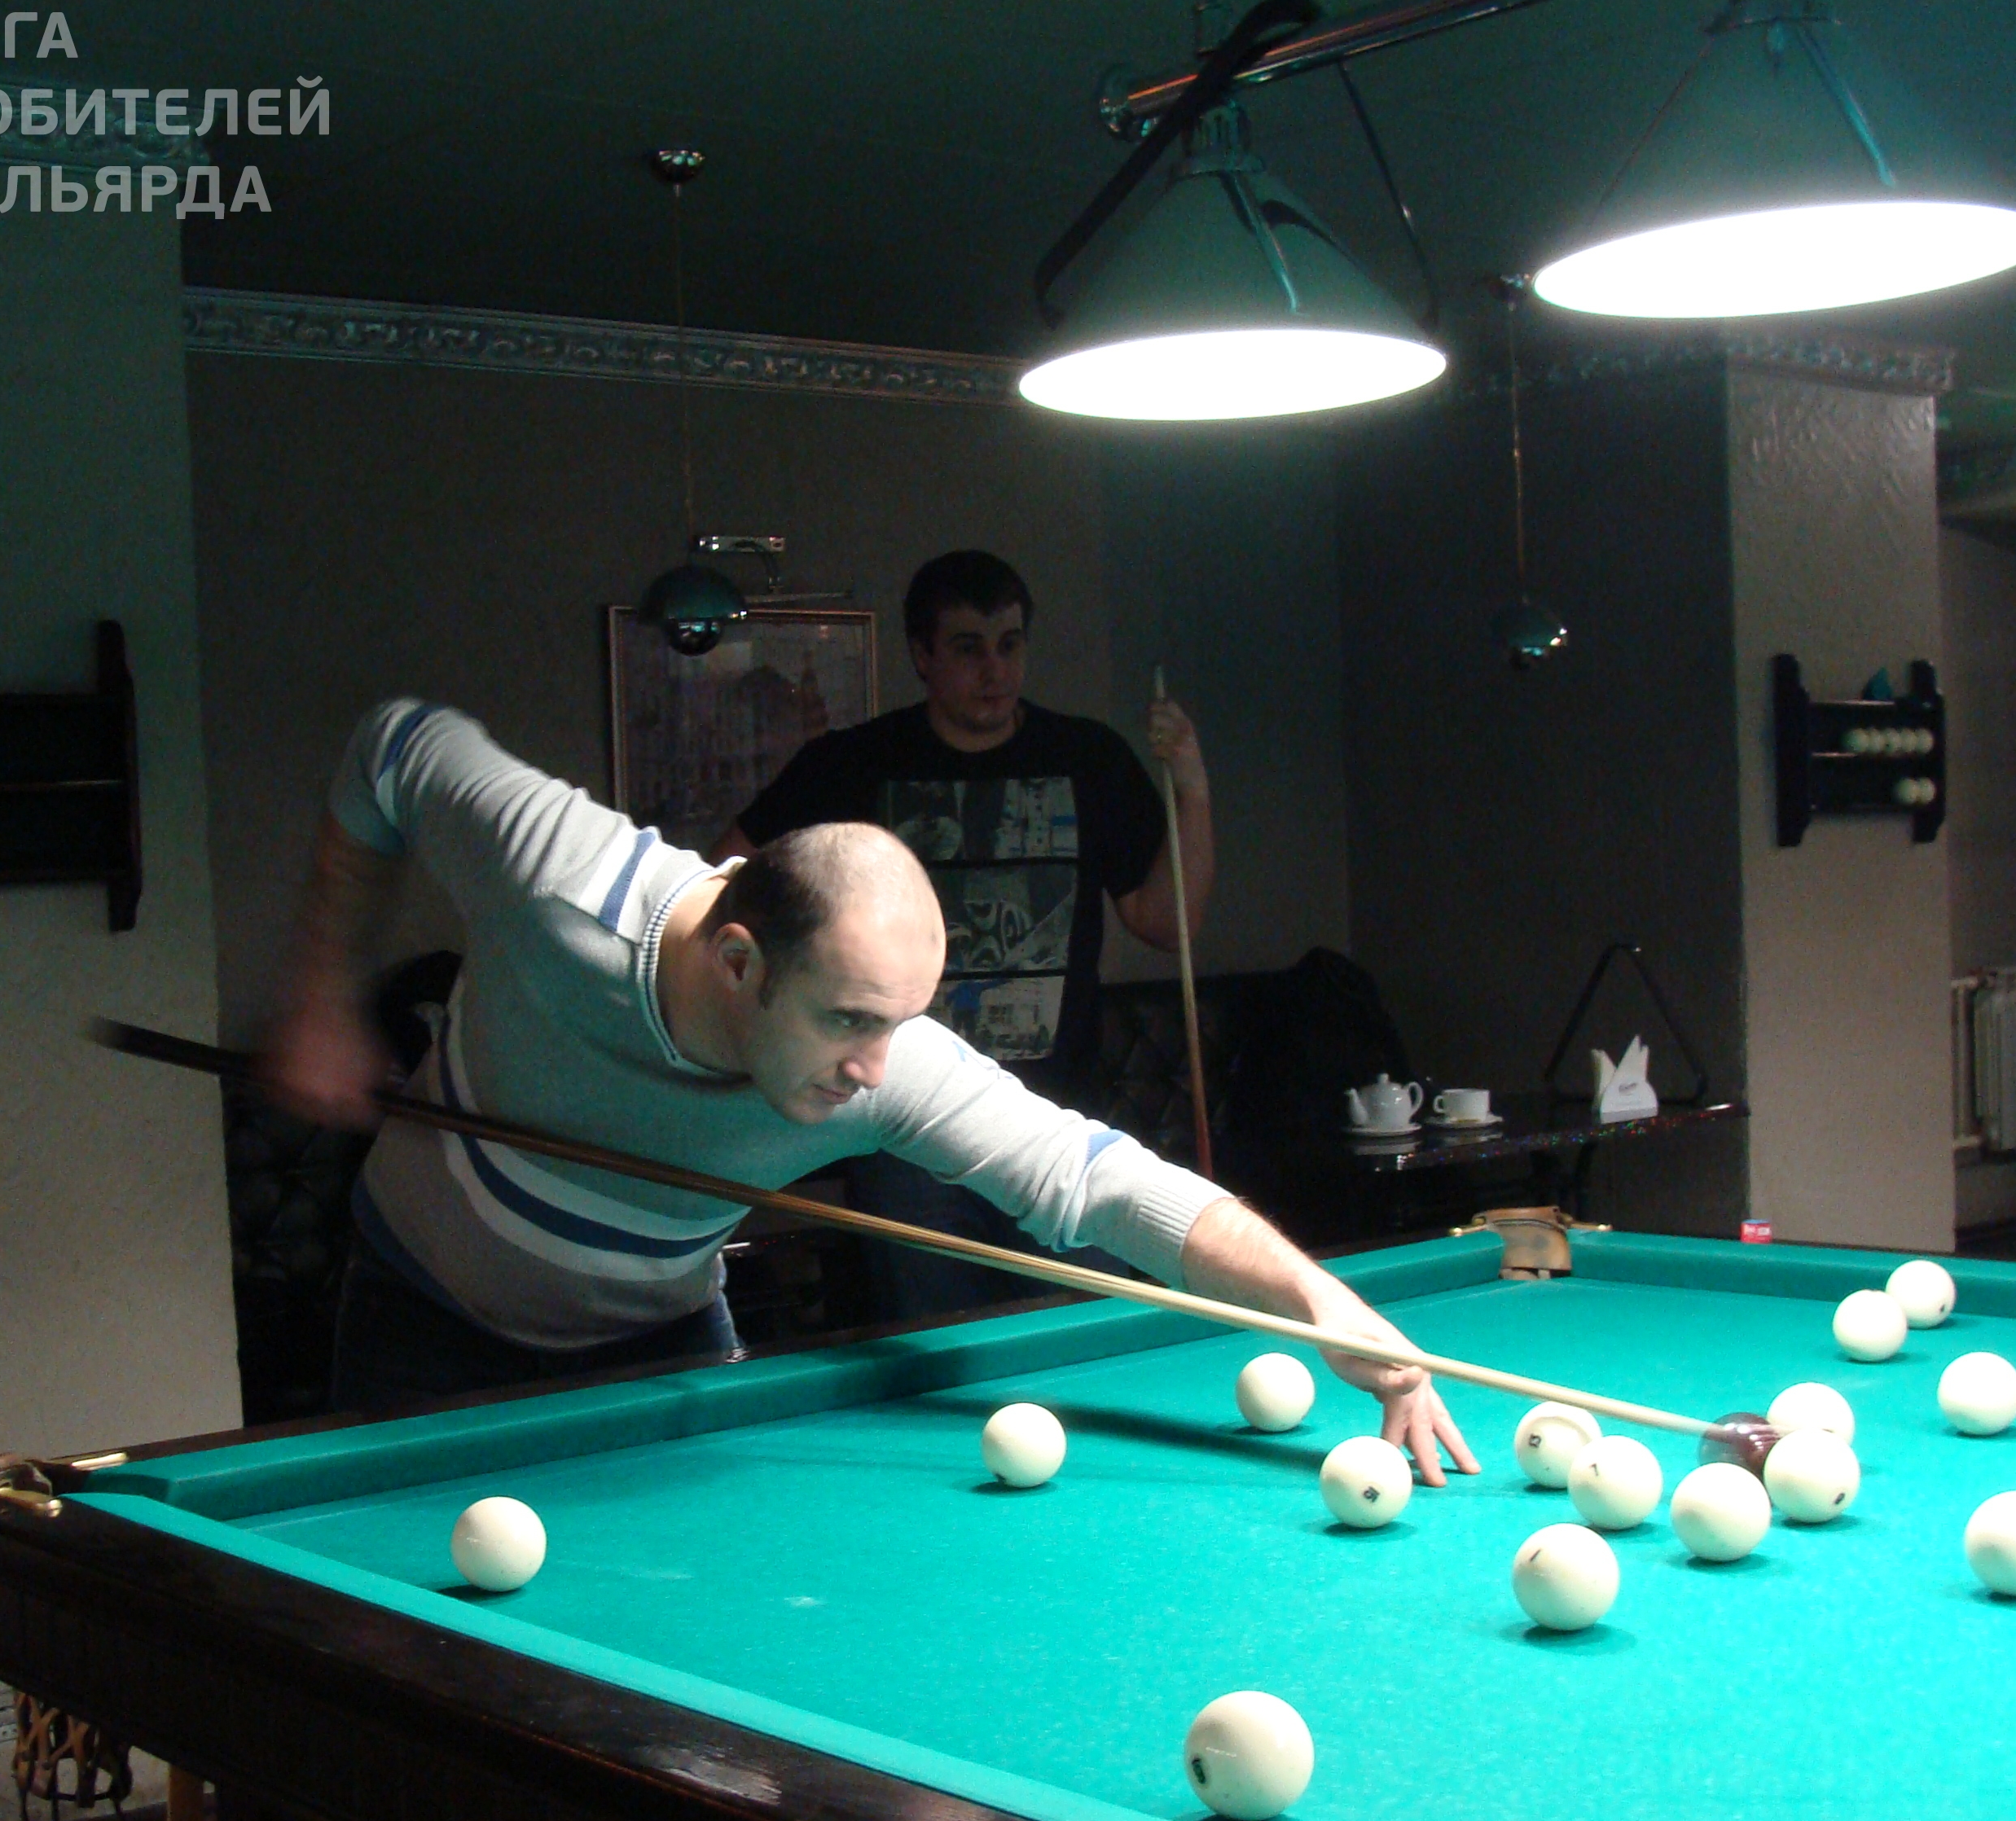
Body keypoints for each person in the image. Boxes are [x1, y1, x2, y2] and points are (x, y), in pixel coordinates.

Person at [260, 696, 1476, 1484]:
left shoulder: (880, 1062)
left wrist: (1321, 1305)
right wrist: (321, 994)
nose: (875, 1072)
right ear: (741, 965)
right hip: (426, 1326)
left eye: (898, 1023)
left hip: (659, 1347)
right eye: (849, 1021)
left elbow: (1097, 1180)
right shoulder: (559, 882)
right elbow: (393, 745)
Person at [713, 550, 1213, 1315]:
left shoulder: (1087, 760)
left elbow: (1167, 923)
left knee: (1076, 1339)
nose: (995, 670)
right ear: (923, 655)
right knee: (937, 1348)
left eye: (1010, 645)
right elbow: (722, 888)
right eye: (969, 648)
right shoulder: (855, 764)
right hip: (902, 1136)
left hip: (1055, 1125)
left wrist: (1193, 790)